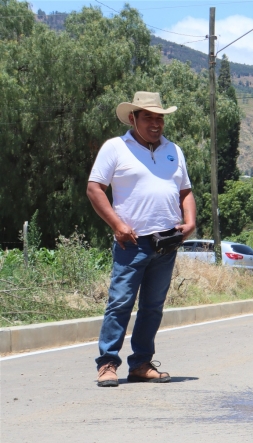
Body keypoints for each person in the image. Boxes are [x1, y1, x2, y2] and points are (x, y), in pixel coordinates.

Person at [87, 92, 196, 387]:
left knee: (153, 306)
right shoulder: (115, 148)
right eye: (148, 117)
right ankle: (107, 363)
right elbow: (95, 188)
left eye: (160, 118)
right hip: (131, 242)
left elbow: (185, 191)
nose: (156, 123)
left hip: (167, 242)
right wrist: (118, 225)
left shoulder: (173, 150)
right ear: (132, 118)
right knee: (120, 303)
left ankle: (141, 364)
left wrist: (190, 222)